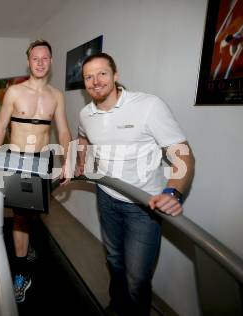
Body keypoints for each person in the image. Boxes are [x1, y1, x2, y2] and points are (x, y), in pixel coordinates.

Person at [75, 52, 195, 316]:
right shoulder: (86, 113)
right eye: (88, 77)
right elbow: (82, 137)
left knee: (137, 278)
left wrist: (173, 191)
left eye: (102, 73)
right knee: (114, 261)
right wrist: (80, 162)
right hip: (106, 196)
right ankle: (117, 308)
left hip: (143, 206)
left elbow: (182, 153)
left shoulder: (148, 105)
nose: (96, 81)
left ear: (116, 75)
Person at [0, 39, 72, 303]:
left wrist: (68, 160)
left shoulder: (56, 96)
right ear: (28, 61)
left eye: (45, 58)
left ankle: (26, 248)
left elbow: (62, 130)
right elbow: (1, 125)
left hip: (41, 161)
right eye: (35, 58)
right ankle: (21, 274)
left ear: (51, 61)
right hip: (17, 160)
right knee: (19, 217)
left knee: (33, 213)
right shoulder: (14, 92)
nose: (40, 63)